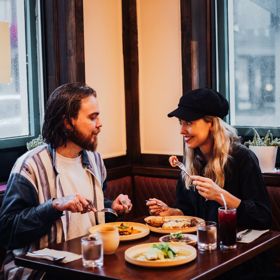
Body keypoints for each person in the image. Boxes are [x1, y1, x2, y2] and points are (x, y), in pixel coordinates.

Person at [0, 82, 132, 279]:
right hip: (43, 271)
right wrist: (54, 207)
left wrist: (112, 207)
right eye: (92, 117)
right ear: (67, 122)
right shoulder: (29, 165)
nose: (100, 124)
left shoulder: (95, 160)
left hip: (89, 264)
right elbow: (8, 231)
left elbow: (90, 209)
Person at [146, 88, 271, 230]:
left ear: (211, 123)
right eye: (181, 122)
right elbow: (188, 211)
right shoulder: (190, 160)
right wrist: (173, 212)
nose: (181, 130)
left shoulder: (243, 158)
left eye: (188, 122)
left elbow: (263, 217)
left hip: (237, 247)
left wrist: (220, 195)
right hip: (200, 245)